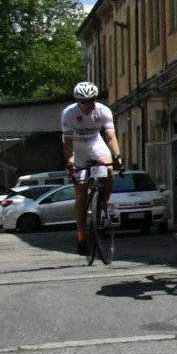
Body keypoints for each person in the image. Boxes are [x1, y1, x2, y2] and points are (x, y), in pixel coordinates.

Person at [61, 81, 122, 255]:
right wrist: (71, 163)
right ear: (77, 100)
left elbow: (110, 137)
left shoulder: (103, 111)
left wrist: (117, 155)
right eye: (84, 101)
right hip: (78, 148)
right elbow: (67, 143)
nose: (88, 104)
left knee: (108, 168)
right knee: (80, 194)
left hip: (96, 143)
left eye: (92, 100)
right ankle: (81, 235)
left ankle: (105, 201)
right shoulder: (68, 114)